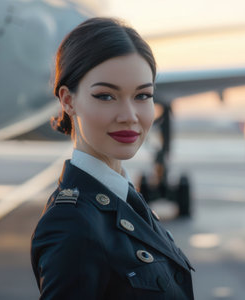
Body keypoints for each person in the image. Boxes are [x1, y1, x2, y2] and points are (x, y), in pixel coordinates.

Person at [30, 17, 195, 299]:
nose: (129, 116)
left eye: (142, 95)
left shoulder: (125, 200)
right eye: (106, 96)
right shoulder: (73, 226)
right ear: (68, 101)